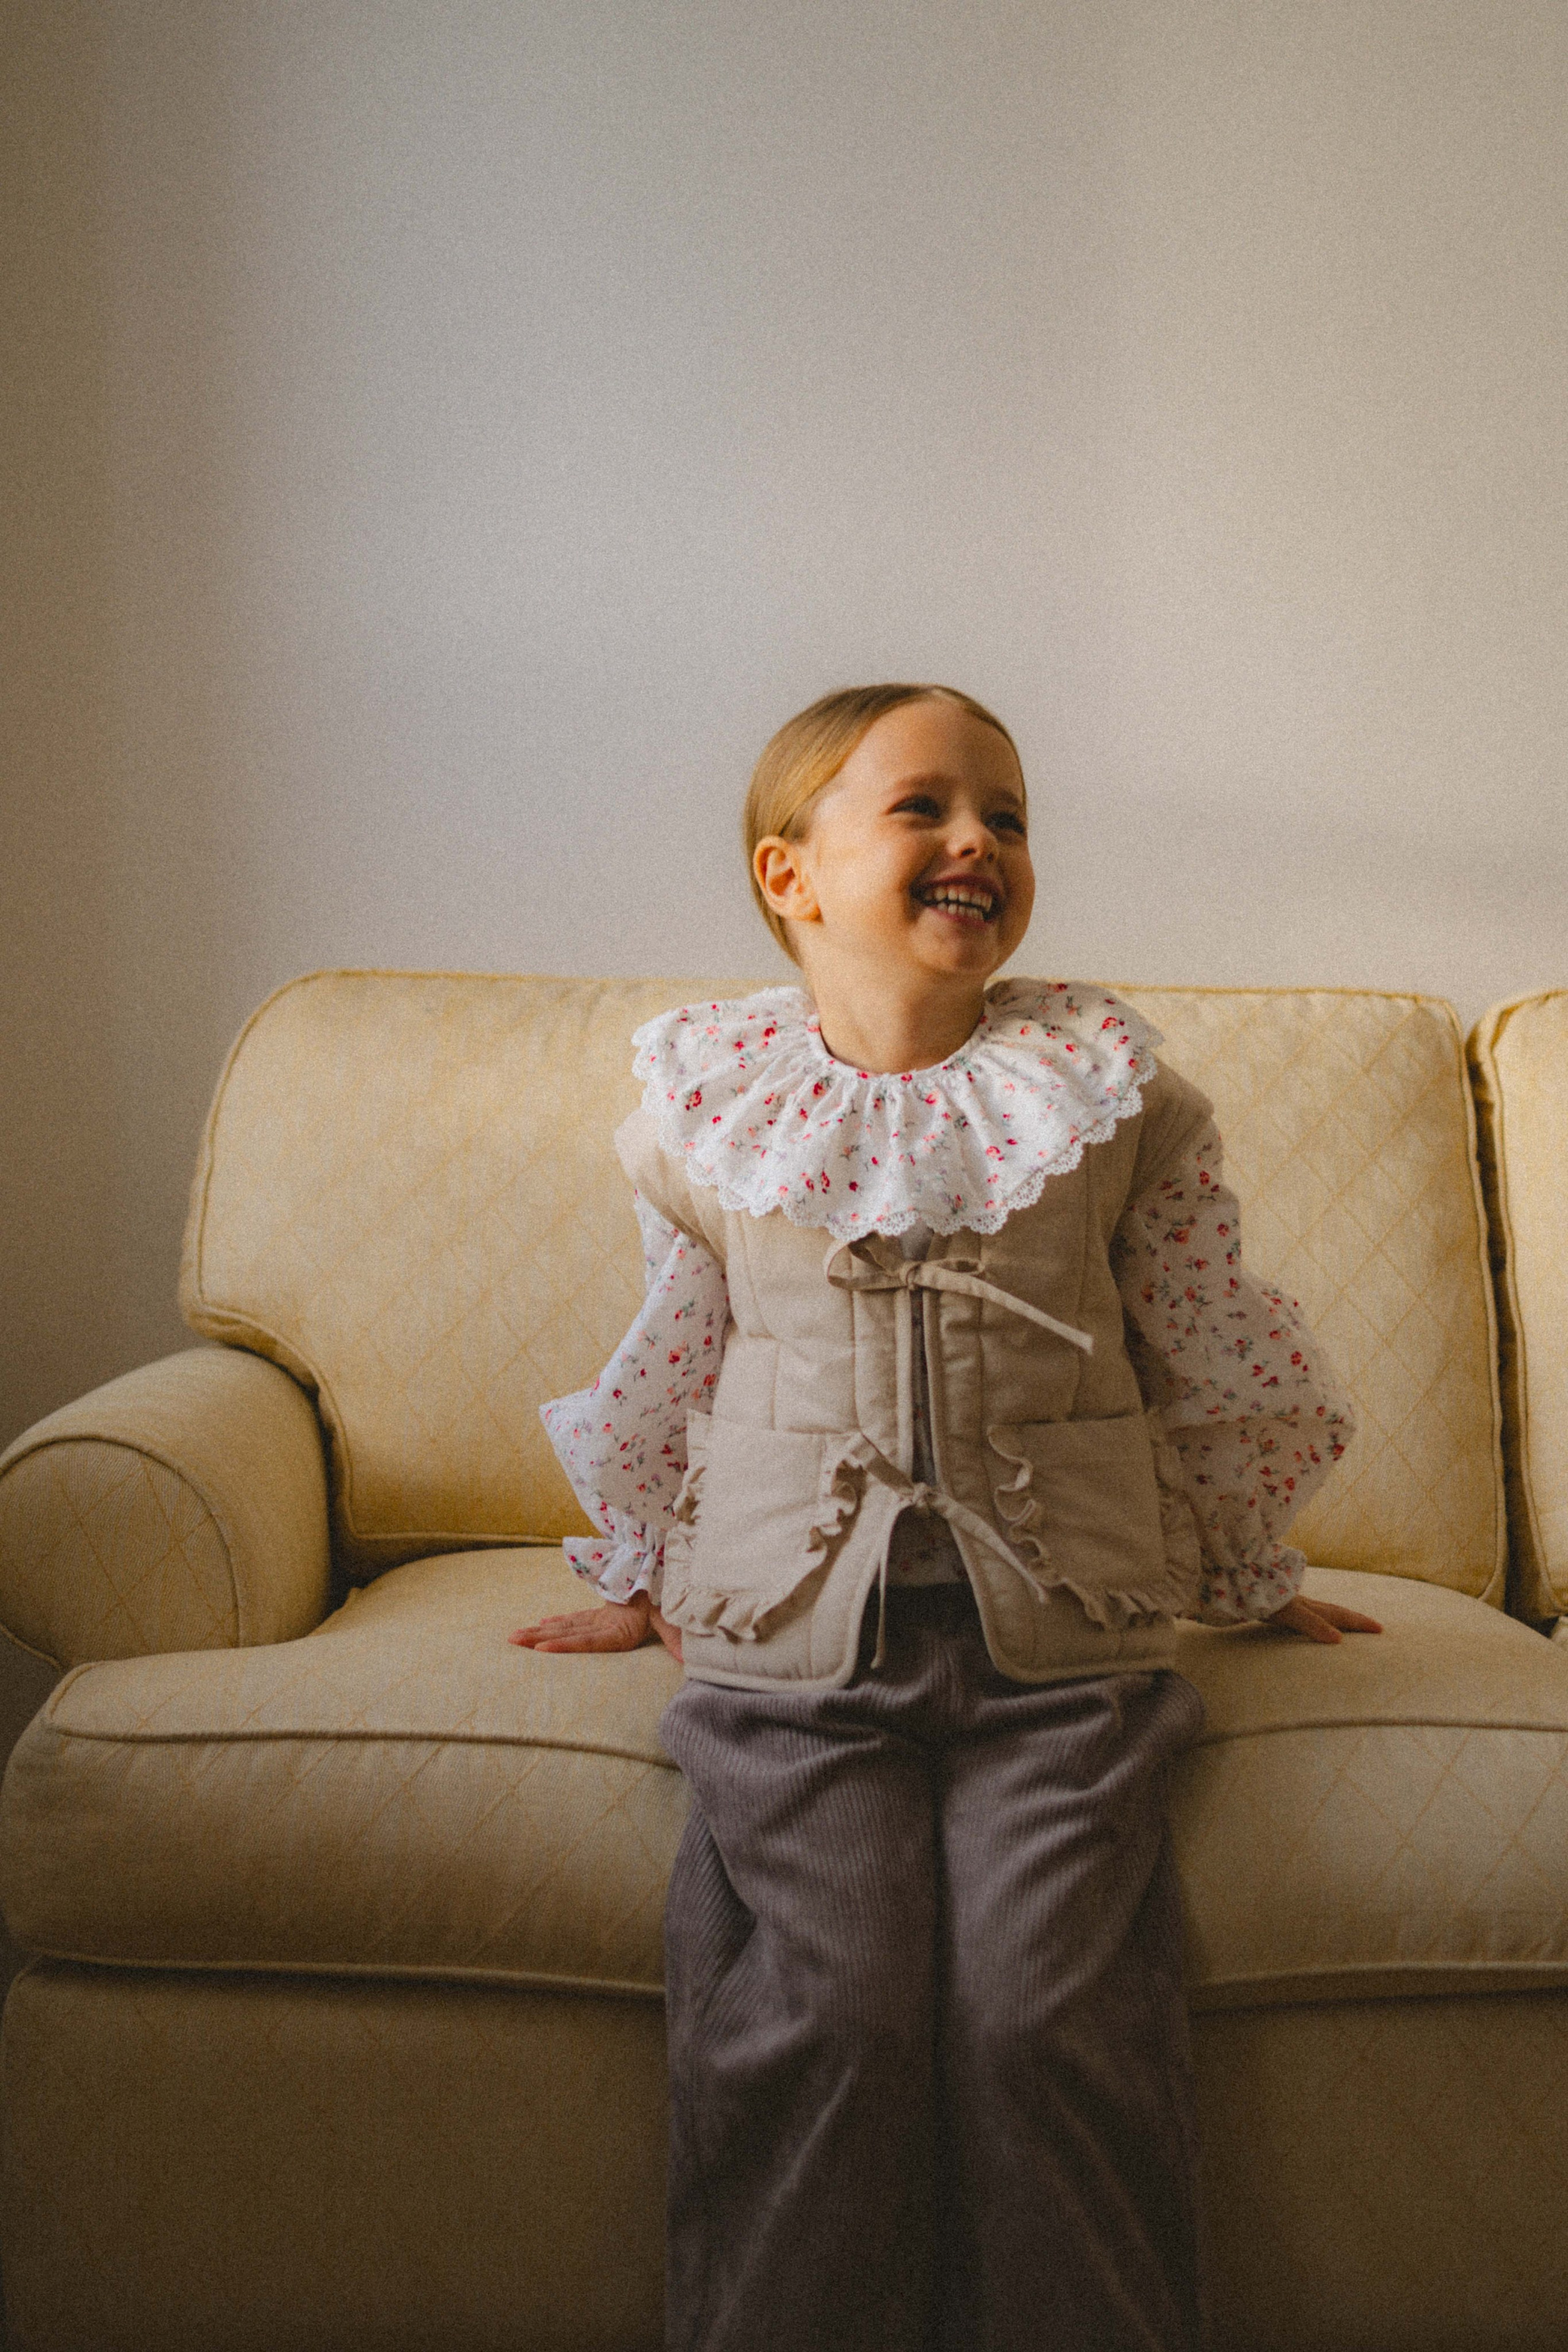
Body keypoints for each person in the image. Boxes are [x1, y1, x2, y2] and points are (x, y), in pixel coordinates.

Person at [512, 683, 1377, 2352]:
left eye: (1011, 814)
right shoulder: (710, 1111)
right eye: (923, 807)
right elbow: (676, 1357)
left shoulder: (1114, 1103)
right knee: (820, 2015)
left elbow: (1205, 1347)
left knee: (1046, 2021)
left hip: (1062, 1660)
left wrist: (1249, 1562)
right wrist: (637, 1563)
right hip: (788, 1660)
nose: (980, 838)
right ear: (793, 875)